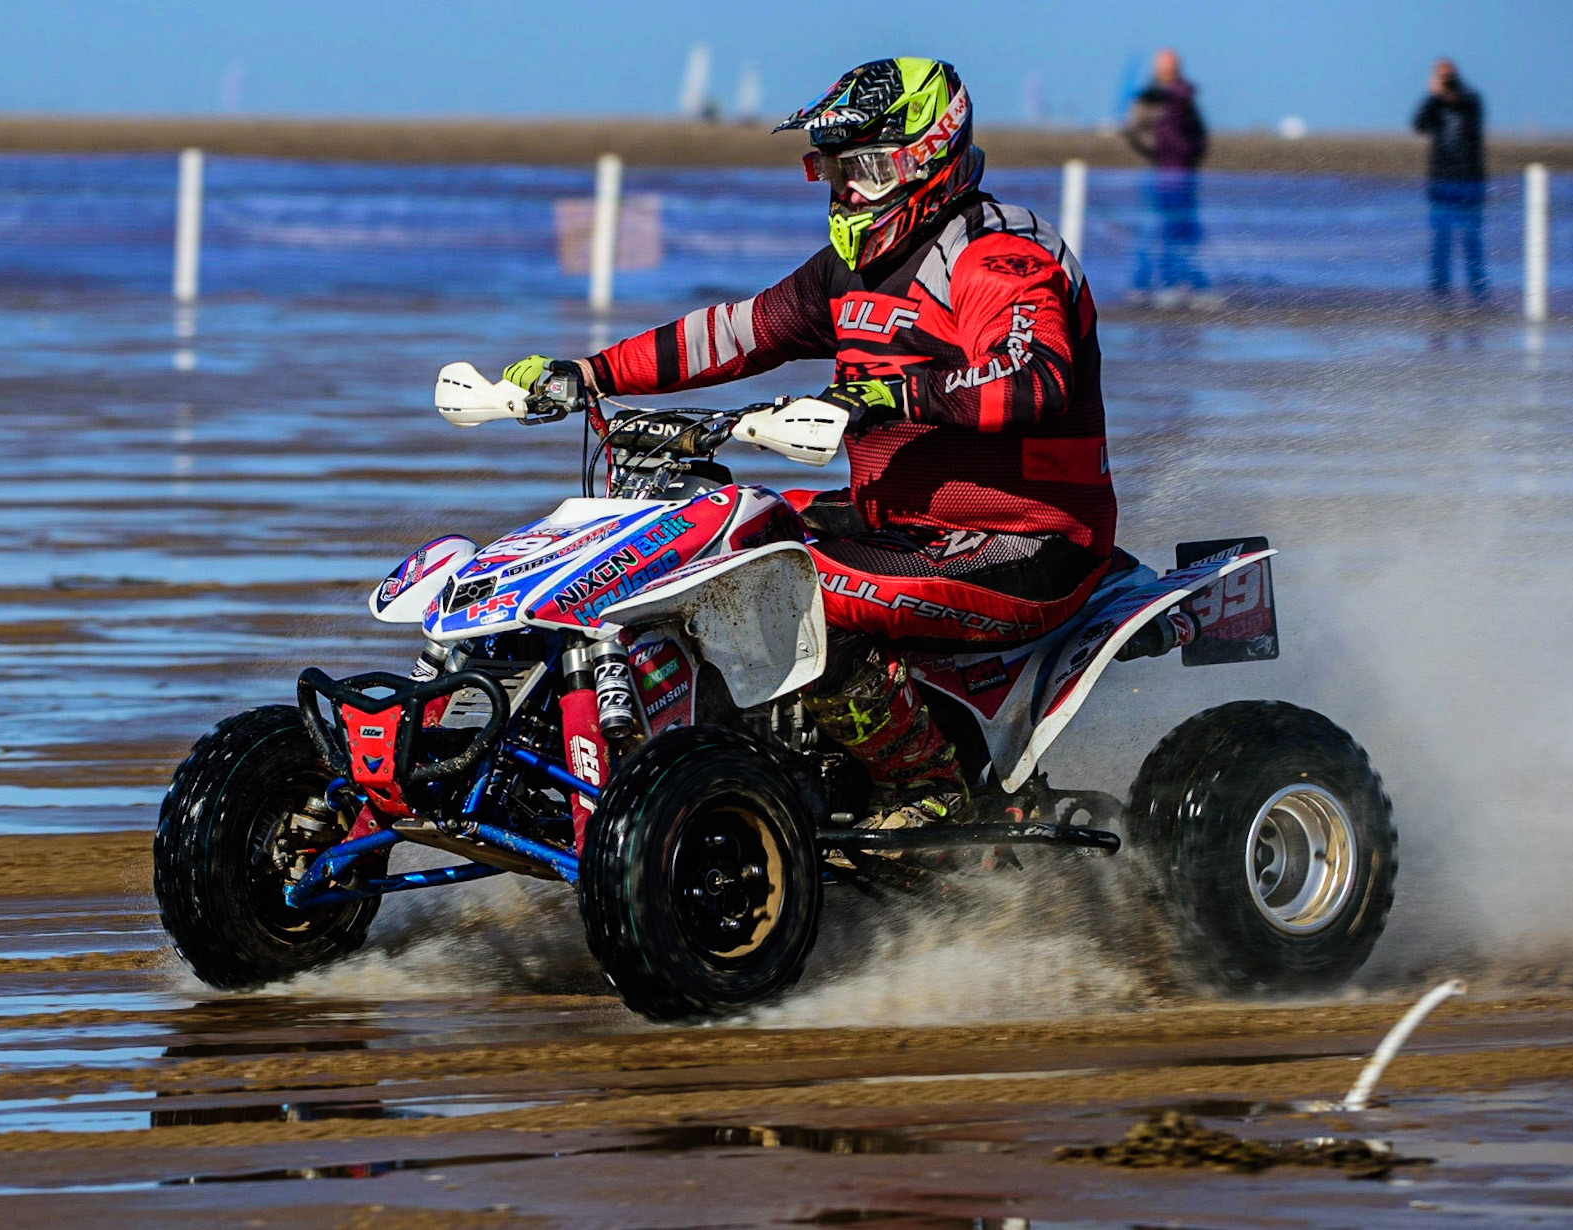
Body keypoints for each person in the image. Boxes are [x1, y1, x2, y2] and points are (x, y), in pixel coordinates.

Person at [497, 58, 1166, 834]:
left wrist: (887, 395)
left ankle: (928, 790)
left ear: (929, 159)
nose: (848, 191)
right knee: (704, 543)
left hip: (1029, 540)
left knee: (788, 587)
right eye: (835, 170)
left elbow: (1033, 376)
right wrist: (590, 373)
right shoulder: (849, 270)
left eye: (868, 169)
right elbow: (735, 332)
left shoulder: (1000, 256)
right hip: (904, 527)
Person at [1122, 48, 1210, 304]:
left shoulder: (1186, 97)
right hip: (1155, 174)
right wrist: (1160, 148)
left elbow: (1198, 133)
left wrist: (1188, 153)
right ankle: (1141, 286)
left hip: (1182, 176)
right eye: (1165, 68)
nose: (1169, 73)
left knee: (1182, 231)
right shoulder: (1147, 98)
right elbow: (1135, 131)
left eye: (1173, 68)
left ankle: (1181, 283)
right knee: (1148, 231)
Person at [1413, 58, 1487, 300]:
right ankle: (1440, 293)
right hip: (1441, 181)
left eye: (1448, 75)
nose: (1444, 79)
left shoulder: (1471, 99)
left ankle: (1477, 292)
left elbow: (1465, 106)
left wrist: (1443, 92)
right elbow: (1419, 124)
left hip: (1469, 179)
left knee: (1471, 239)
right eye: (1440, 75)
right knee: (1441, 241)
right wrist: (1431, 97)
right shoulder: (1434, 103)